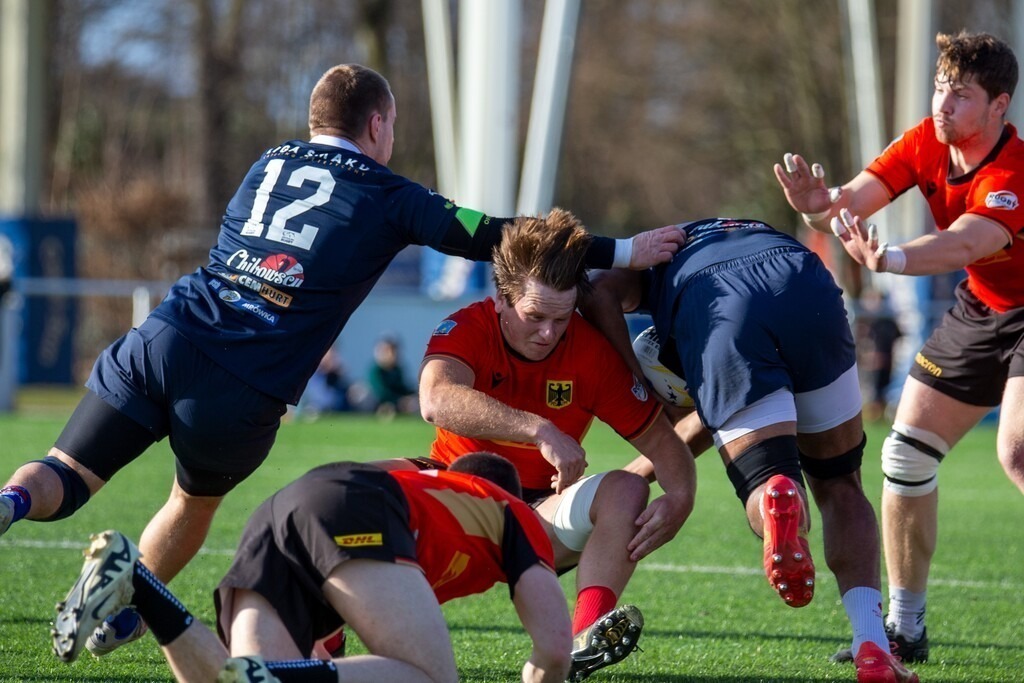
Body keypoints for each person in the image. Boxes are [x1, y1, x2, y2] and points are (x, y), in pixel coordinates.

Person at [0, 64, 684, 653]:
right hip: (243, 381)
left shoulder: (268, 161)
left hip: (167, 333)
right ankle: (131, 605)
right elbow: (501, 236)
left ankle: (11, 499)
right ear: (378, 124)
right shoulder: (388, 195)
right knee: (191, 500)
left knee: (62, 473)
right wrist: (624, 251)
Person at [775, 30, 1024, 664]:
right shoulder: (925, 141)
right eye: (940, 88)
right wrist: (818, 209)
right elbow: (848, 203)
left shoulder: (1012, 171)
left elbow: (964, 243)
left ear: (999, 106)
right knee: (906, 455)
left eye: (960, 94)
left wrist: (889, 258)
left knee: (1017, 451)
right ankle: (905, 629)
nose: (943, 104)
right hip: (983, 309)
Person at [583, 218, 918, 683]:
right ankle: (873, 646)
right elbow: (702, 423)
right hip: (804, 278)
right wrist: (639, 472)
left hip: (718, 302)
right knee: (841, 484)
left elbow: (596, 287)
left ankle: (775, 490)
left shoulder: (648, 272)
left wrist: (634, 384)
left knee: (768, 479)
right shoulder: (688, 239)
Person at [417, 209, 697, 682]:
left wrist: (682, 497)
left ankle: (582, 642)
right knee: (347, 490)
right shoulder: (467, 326)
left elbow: (664, 445)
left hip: (537, 514)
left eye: (561, 318)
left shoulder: (590, 352)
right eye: (535, 316)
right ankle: (324, 638)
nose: (548, 333)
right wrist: (540, 429)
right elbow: (436, 399)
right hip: (451, 494)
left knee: (628, 489)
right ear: (501, 299)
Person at [51, 452, 573, 683]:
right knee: (431, 678)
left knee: (240, 681)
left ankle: (138, 581)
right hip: (356, 508)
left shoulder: (435, 502)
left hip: (285, 509)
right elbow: (553, 647)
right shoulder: (512, 511)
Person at [854, 289, 902, 422]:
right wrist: (867, 357)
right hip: (869, 367)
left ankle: (883, 406)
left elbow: (898, 340)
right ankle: (874, 407)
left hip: (887, 363)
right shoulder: (863, 322)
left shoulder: (888, 322)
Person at [366, 335, 418, 416]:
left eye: (394, 351)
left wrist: (413, 393)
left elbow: (401, 388)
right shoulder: (376, 371)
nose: (392, 355)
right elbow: (381, 392)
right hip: (380, 402)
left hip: (395, 401)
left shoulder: (397, 370)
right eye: (389, 351)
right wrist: (400, 400)